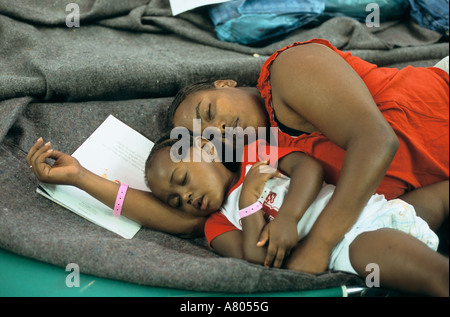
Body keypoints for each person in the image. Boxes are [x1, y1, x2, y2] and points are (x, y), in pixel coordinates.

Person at [166, 38, 449, 273]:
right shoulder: (275, 168)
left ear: (225, 84)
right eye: (210, 138)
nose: (220, 129)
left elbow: (376, 140)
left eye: (209, 112)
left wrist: (320, 245)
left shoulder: (288, 70)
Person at [144, 133, 448, 296]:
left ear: (206, 150)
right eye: (175, 201)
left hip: (371, 206)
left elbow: (308, 169)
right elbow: (255, 258)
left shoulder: (255, 153)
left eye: (182, 180)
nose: (185, 197)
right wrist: (248, 201)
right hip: (353, 243)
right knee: (436, 275)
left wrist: (288, 217)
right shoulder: (217, 223)